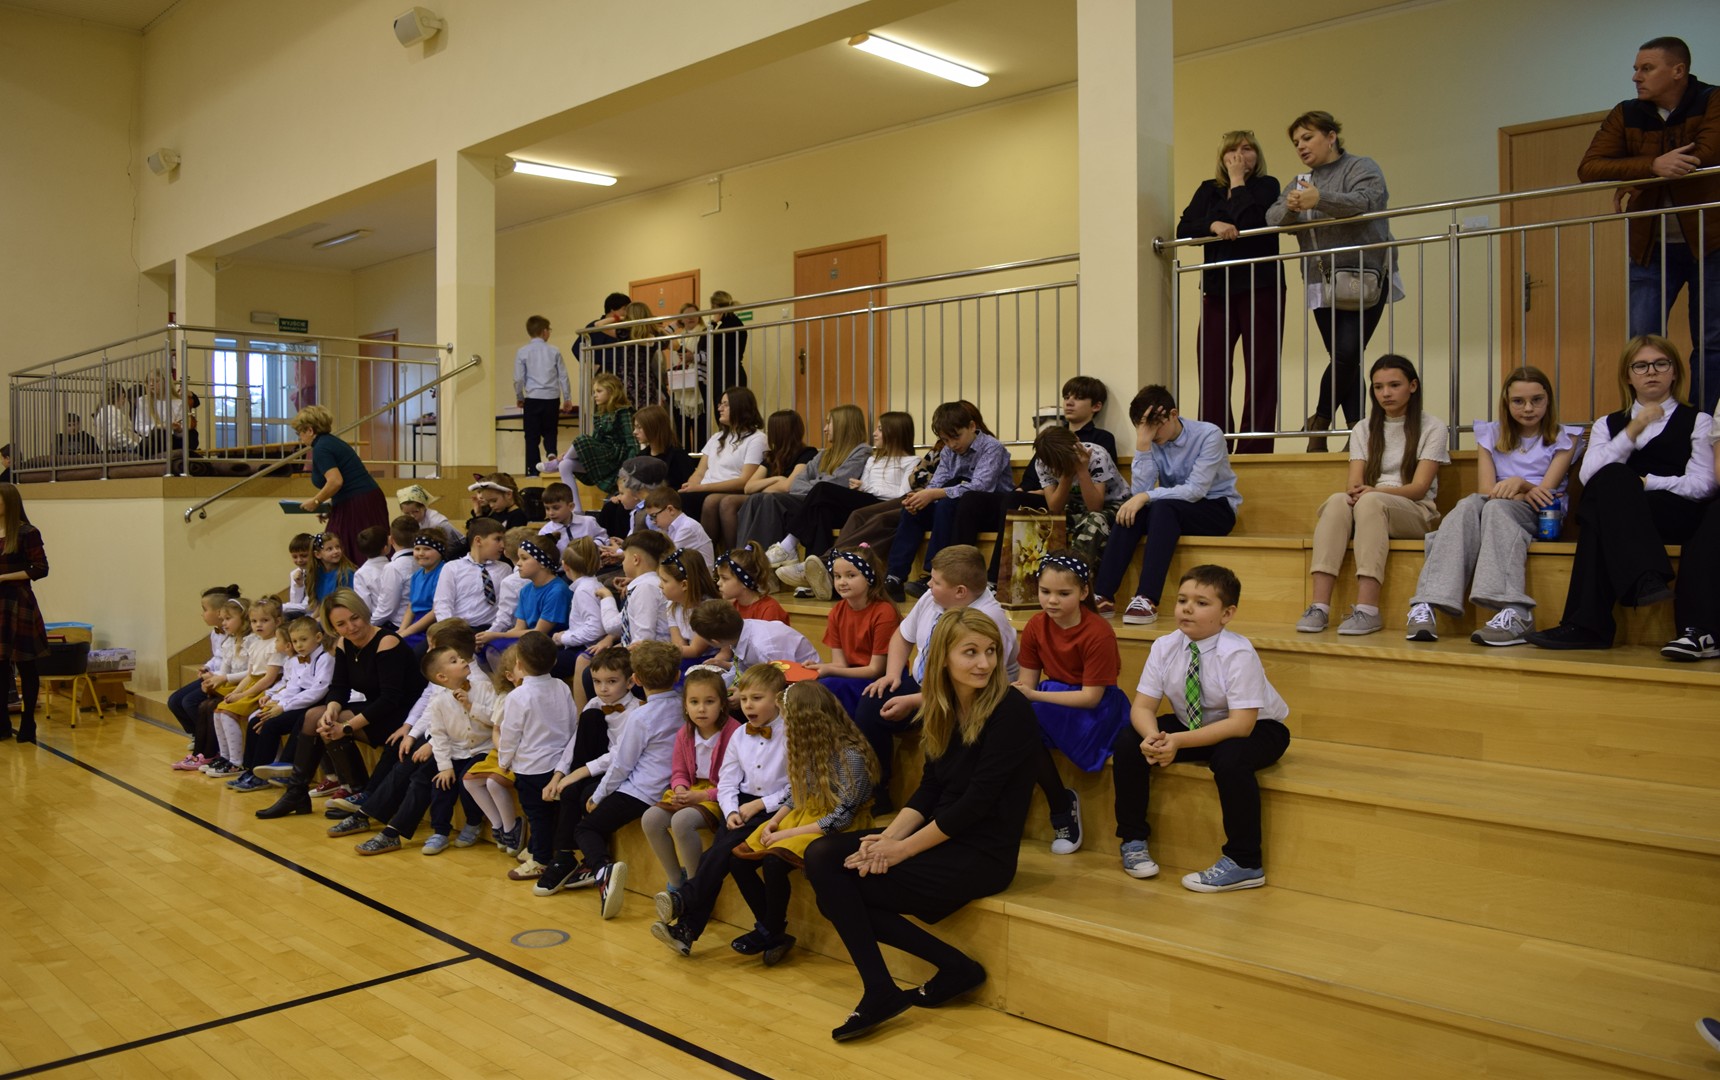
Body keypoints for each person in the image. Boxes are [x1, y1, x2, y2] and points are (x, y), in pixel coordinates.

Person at [805, 608, 1040, 1042]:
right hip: (940, 833)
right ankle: (919, 978)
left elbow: (977, 804)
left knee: (839, 896)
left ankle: (904, 983)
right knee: (821, 854)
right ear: (943, 658)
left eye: (991, 651)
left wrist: (902, 849)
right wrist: (886, 837)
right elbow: (930, 788)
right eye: (971, 652)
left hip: (982, 851)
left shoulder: (1012, 709)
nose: (985, 663)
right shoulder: (941, 705)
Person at [657, 680, 879, 966]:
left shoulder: (850, 756)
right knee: (737, 858)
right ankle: (768, 932)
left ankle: (766, 928)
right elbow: (795, 793)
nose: (786, 727)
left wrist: (785, 832)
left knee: (772, 861)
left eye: (789, 721)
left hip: (835, 824)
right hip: (802, 814)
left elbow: (841, 816)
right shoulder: (808, 747)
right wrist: (774, 823)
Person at [1528, 335, 1718, 650]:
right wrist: (1632, 430)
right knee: (1607, 487)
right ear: (1628, 376)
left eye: (1660, 364)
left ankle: (1588, 624)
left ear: (1674, 372)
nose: (1651, 372)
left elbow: (1704, 485)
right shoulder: (1608, 424)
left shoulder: (1698, 420)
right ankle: (1644, 577)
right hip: (1622, 518)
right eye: (1640, 366)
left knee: (1602, 505)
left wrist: (1646, 483)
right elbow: (1589, 476)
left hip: (1675, 513)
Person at [1112, 564, 1292, 891]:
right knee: (1128, 741)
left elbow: (1241, 724)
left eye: (1201, 603)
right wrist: (1153, 738)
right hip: (1194, 726)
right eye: (1182, 600)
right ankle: (1133, 840)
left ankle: (1245, 861)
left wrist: (1178, 741)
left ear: (1227, 614)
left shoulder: (1238, 652)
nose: (1187, 608)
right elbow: (1142, 707)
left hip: (1259, 728)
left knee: (1231, 759)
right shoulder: (1164, 646)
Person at [1579, 36, 1720, 411]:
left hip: (1711, 242)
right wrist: (1652, 167)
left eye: (1646, 68)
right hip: (1650, 248)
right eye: (1636, 69)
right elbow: (1589, 167)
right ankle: (1647, 420)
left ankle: (1699, 421)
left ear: (1678, 71)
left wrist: (1640, 176)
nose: (1636, 77)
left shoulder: (1713, 100)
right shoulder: (1626, 112)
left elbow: (1707, 154)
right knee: (1642, 342)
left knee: (1711, 340)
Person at [1406, 366, 1583, 645]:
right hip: (1496, 504)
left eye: (1537, 400)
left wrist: (1520, 484)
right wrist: (1518, 490)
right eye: (1518, 401)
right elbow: (1486, 490)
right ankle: (1426, 602)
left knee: (1495, 508)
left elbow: (1546, 493)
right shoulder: (1490, 433)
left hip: (1542, 514)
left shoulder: (1566, 437)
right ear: (1506, 403)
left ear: (1548, 400)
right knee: (1468, 505)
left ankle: (1516, 611)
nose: (1528, 408)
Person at [1265, 111, 1399, 449]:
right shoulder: (1299, 181)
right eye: (1296, 142)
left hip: (1365, 276)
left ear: (1330, 136)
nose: (1301, 146)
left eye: (1307, 137)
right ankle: (1357, 434)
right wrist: (1293, 207)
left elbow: (1367, 201)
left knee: (1347, 353)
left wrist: (1320, 199)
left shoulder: (1361, 166)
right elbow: (1273, 217)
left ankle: (1320, 421)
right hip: (1320, 280)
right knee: (1346, 358)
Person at [854, 545, 1018, 805]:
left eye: (936, 581)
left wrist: (915, 701)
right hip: (926, 684)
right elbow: (902, 636)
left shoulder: (987, 619)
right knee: (873, 703)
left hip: (972, 697)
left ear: (960, 591)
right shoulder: (934, 597)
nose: (929, 584)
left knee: (948, 724)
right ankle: (877, 792)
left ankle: (944, 800)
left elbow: (972, 687)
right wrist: (893, 675)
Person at [1297, 355, 1449, 636]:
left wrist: (1374, 492)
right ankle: (1319, 606)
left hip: (1416, 510)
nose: (1385, 393)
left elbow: (1419, 488)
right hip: (1370, 506)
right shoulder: (1363, 428)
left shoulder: (1433, 427)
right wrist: (1366, 493)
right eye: (1378, 387)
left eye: (1394, 385)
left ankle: (1368, 610)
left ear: (1413, 386)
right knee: (1337, 500)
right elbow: (1354, 483)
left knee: (1369, 500)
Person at [538, 640, 684, 920]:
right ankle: (583, 865)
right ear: (678, 675)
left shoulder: (640, 715)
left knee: (585, 829)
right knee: (581, 799)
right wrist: (562, 774)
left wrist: (599, 795)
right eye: (597, 681)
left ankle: (602, 870)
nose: (603, 688)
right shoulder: (681, 705)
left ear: (634, 680)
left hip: (640, 790)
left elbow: (622, 764)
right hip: (662, 784)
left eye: (611, 681)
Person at [649, 662, 789, 955]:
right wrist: (731, 811)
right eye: (745, 698)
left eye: (757, 698)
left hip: (774, 809)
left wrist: (759, 805)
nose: (748, 705)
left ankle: (686, 907)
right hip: (739, 804)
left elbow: (795, 788)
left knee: (717, 855)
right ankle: (692, 929)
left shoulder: (791, 734)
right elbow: (727, 782)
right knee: (721, 858)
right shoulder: (741, 735)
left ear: (777, 699)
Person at [255, 589, 428, 819]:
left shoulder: (387, 642)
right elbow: (339, 688)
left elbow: (390, 699)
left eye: (354, 618)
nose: (351, 627)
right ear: (333, 628)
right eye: (341, 624)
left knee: (328, 725)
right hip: (376, 708)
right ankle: (298, 792)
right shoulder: (344, 644)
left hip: (403, 714)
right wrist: (332, 709)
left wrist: (346, 727)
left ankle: (354, 792)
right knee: (318, 718)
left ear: (363, 613)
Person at [1011, 551, 1129, 856]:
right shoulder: (1036, 625)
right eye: (1045, 591)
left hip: (1096, 710)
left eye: (1064, 594)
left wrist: (1034, 697)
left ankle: (1059, 810)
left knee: (1025, 719)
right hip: (1053, 699)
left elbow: (1091, 697)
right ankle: (1058, 804)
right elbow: (1027, 684)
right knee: (1014, 723)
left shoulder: (1098, 632)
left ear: (1084, 592)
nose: (1052, 601)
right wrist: (1024, 697)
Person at [1094, 385, 1241, 624]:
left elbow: (1196, 490)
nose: (1152, 434)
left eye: (1156, 426)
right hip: (1173, 510)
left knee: (1159, 506)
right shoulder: (1150, 440)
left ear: (1173, 414)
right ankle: (1103, 595)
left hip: (1216, 508)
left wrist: (1145, 497)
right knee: (1131, 511)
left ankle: (1147, 598)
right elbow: (1140, 492)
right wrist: (1143, 446)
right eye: (1144, 429)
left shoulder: (1209, 434)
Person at [1178, 130, 1286, 454]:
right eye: (1232, 150)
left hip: (1261, 285)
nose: (1240, 155)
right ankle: (1214, 446)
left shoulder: (1267, 186)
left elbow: (1252, 222)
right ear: (1222, 157)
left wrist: (1238, 182)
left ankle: (1255, 449)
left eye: (1247, 148)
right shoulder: (1208, 189)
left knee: (1262, 369)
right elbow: (1185, 227)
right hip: (1218, 288)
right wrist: (1212, 225)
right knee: (1212, 369)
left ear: (1257, 155)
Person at [886, 401, 1014, 600]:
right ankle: (894, 576)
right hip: (956, 507)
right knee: (915, 509)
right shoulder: (947, 451)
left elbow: (981, 486)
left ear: (972, 426)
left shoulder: (992, 447)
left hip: (988, 509)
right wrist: (920, 498)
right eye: (946, 440)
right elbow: (937, 483)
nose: (952, 444)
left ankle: (933, 573)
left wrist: (934, 494)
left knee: (946, 502)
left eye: (956, 437)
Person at [775, 411, 919, 586]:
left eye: (880, 429)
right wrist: (862, 487)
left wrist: (866, 487)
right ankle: (815, 577)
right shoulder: (873, 460)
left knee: (823, 489)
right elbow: (861, 484)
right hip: (867, 498)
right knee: (822, 509)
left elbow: (902, 493)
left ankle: (792, 544)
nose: (874, 433)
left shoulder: (912, 461)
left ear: (895, 432)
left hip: (885, 503)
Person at [638, 665, 738, 894]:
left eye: (709, 702)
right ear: (685, 705)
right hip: (693, 790)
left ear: (722, 704)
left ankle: (695, 889)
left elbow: (736, 784)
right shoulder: (685, 733)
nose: (701, 709)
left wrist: (702, 796)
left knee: (682, 821)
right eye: (694, 702)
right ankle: (676, 881)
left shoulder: (734, 732)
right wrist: (681, 789)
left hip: (721, 794)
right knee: (651, 819)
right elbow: (679, 772)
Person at [495, 630, 580, 878]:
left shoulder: (518, 695)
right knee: (549, 813)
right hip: (558, 764)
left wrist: (504, 760)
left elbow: (510, 734)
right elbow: (571, 724)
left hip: (531, 767)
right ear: (554, 661)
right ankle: (537, 849)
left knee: (537, 815)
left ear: (519, 664)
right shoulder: (562, 687)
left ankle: (541, 860)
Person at [749, 404, 871, 566]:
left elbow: (837, 483)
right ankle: (752, 555)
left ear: (843, 425)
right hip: (814, 503)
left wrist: (816, 484)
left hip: (839, 508)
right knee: (760, 498)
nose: (825, 429)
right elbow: (796, 483)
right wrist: (818, 485)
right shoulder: (824, 454)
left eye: (829, 423)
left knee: (774, 499)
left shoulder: (862, 451)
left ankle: (761, 561)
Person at [235, 616, 334, 793]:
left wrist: (284, 707)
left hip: (315, 703)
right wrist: (277, 704)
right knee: (257, 719)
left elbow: (317, 691)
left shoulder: (326, 659)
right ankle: (251, 769)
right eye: (295, 641)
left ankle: (266, 774)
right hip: (296, 701)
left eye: (303, 640)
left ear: (318, 637)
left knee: (272, 725)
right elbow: (292, 687)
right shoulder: (297, 660)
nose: (299, 645)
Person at [704, 409, 815, 552]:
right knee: (727, 501)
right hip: (764, 498)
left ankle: (741, 553)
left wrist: (764, 486)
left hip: (786, 502)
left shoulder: (806, 453)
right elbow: (748, 487)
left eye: (771, 429)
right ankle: (735, 553)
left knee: (733, 501)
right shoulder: (771, 456)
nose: (768, 433)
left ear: (779, 431)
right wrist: (777, 479)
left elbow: (788, 486)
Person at [809, 546, 900, 718]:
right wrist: (817, 668)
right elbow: (840, 664)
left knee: (828, 686)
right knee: (810, 687)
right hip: (852, 675)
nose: (842, 582)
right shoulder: (837, 612)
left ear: (869, 576)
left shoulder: (884, 612)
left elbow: (875, 670)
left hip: (880, 681)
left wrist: (829, 671)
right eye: (837, 576)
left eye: (850, 575)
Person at [293, 405, 387, 558]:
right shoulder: (330, 442)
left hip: (358, 503)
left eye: (299, 433)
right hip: (362, 499)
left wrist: (316, 501)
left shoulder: (321, 447)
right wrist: (331, 506)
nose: (300, 438)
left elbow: (336, 481)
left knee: (342, 549)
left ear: (310, 430)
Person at [462, 645, 525, 855]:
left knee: (493, 782)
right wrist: (502, 751)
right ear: (509, 675)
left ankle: (511, 826)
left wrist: (509, 754)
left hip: (521, 752)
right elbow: (496, 730)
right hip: (502, 750)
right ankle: (498, 824)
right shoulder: (505, 697)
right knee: (469, 781)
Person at [0, 483, 50, 744]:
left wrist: (4, 577)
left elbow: (40, 568)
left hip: (18, 601)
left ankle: (28, 720)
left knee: (26, 665)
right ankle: (2, 722)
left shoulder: (27, 532)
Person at [166, 584, 241, 751]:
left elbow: (232, 664)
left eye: (205, 609)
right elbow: (217, 656)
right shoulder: (215, 633)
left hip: (225, 679)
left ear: (219, 612)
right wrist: (207, 667)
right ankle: (197, 734)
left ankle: (210, 741)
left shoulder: (236, 635)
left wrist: (214, 676)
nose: (202, 614)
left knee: (190, 702)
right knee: (174, 701)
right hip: (214, 675)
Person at [546, 372, 638, 508]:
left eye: (599, 391)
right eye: (594, 392)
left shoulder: (623, 412)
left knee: (582, 439)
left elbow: (632, 444)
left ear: (612, 392)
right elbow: (595, 440)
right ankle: (576, 510)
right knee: (565, 465)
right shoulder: (600, 414)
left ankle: (558, 461)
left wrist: (626, 469)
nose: (595, 395)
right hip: (602, 457)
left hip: (616, 458)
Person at [680, 388, 766, 526]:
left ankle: (702, 540)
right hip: (705, 489)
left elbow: (745, 481)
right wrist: (692, 485)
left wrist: (701, 488)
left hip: (730, 491)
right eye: (720, 404)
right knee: (675, 497)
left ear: (740, 407)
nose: (720, 408)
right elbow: (700, 472)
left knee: (707, 501)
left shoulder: (757, 439)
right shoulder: (717, 437)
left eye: (726, 404)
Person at [514, 314, 573, 475]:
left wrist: (520, 397)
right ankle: (551, 453)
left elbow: (518, 378)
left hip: (532, 398)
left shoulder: (522, 352)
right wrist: (567, 398)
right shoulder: (554, 351)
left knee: (531, 436)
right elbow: (563, 376)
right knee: (550, 430)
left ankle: (533, 471)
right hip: (552, 397)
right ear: (544, 331)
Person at [667, 302, 711, 447]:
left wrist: (694, 357)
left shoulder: (705, 333)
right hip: (680, 389)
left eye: (694, 314)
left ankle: (700, 459)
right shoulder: (679, 338)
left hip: (700, 386)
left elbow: (712, 356)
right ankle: (684, 459)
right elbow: (664, 333)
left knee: (701, 432)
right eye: (687, 315)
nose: (691, 317)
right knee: (681, 432)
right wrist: (676, 323)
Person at [135, 368, 198, 464]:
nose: (151, 384)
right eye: (148, 382)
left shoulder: (179, 403)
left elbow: (182, 428)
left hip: (173, 438)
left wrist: (179, 429)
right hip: (154, 439)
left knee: (192, 434)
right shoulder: (143, 401)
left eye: (155, 381)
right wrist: (160, 427)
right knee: (159, 433)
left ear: (166, 382)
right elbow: (139, 427)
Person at [716, 544, 788, 624]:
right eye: (719, 577)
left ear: (744, 581)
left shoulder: (770, 610)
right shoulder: (731, 609)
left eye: (724, 578)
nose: (718, 583)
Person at [643, 485, 714, 565]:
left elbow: (667, 558)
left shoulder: (687, 527)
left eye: (654, 516)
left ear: (671, 510)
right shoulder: (668, 529)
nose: (653, 522)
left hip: (698, 573)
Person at [398, 533, 446, 650]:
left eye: (427, 549)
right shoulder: (417, 575)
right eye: (417, 549)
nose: (420, 553)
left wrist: (407, 632)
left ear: (440, 552)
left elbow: (435, 611)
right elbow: (411, 606)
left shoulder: (443, 573)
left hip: (433, 625)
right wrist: (401, 631)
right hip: (416, 623)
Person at [352, 526, 402, 632]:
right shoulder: (397, 567)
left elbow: (365, 605)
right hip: (397, 621)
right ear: (385, 548)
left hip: (378, 622)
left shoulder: (361, 574)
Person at [707, 290, 749, 399]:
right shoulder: (737, 323)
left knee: (723, 407)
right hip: (735, 373)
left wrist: (713, 323)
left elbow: (705, 345)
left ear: (716, 307)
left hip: (725, 376)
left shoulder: (724, 327)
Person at [395, 484, 462, 547]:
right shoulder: (409, 522)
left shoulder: (437, 523)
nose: (412, 516)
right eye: (407, 513)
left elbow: (452, 545)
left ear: (424, 507)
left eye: (415, 512)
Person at [306, 531, 357, 612]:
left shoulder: (346, 573)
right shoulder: (317, 573)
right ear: (318, 554)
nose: (336, 551)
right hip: (323, 612)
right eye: (329, 549)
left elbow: (348, 604)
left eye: (337, 547)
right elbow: (319, 604)